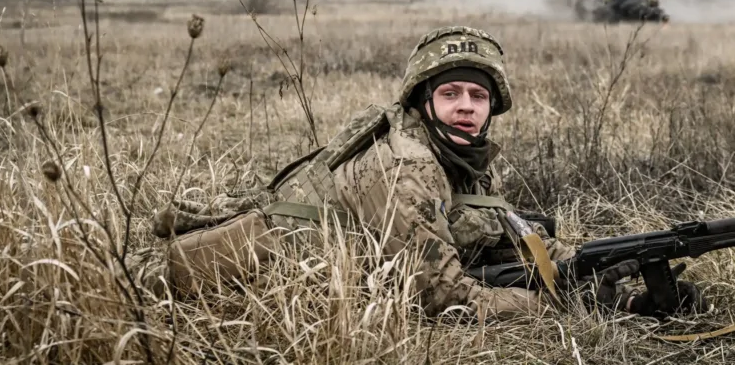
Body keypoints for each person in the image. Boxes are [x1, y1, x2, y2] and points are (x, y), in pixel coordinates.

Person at [149, 25, 703, 321]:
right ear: (424, 101)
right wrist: (565, 302)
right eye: (450, 92)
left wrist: (602, 271)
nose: (466, 105)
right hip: (208, 279)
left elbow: (499, 235)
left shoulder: (458, 153)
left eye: (478, 95)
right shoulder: (410, 167)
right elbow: (441, 300)